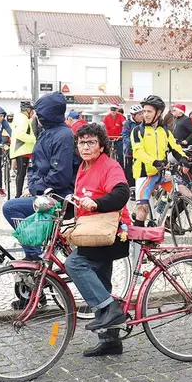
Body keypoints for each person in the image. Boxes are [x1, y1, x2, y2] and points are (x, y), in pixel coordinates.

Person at [65, 122, 132, 357]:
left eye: (91, 142)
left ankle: (109, 308)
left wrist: (97, 203)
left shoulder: (109, 166)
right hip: (95, 233)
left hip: (113, 234)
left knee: (75, 264)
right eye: (81, 142)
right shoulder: (83, 167)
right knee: (101, 283)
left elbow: (122, 193)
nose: (85, 146)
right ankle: (110, 341)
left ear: (101, 146)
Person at [3, 92, 76, 261]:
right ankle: (35, 252)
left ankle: (34, 255)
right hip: (46, 192)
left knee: (10, 208)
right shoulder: (47, 132)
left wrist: (36, 188)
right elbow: (35, 166)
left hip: (60, 196)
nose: (36, 116)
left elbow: (60, 175)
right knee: (16, 206)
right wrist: (31, 187)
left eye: (39, 113)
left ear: (48, 113)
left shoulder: (63, 136)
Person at [132, 95, 187, 223]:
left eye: (149, 111)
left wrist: (183, 158)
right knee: (142, 210)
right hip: (144, 174)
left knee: (186, 194)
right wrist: (154, 161)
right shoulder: (137, 131)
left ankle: (169, 221)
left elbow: (175, 147)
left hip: (161, 173)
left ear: (159, 112)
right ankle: (137, 243)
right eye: (144, 111)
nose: (145, 114)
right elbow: (138, 151)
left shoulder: (165, 131)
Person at [10, 101, 37, 198]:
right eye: (32, 111)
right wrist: (34, 139)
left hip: (22, 150)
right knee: (21, 174)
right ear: (28, 110)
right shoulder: (23, 119)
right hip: (22, 150)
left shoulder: (20, 117)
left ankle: (18, 194)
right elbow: (20, 134)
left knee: (20, 174)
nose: (33, 113)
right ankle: (18, 195)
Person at [122, 104, 144, 187]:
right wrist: (133, 144)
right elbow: (125, 135)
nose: (141, 116)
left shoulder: (144, 124)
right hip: (130, 152)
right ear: (133, 115)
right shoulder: (127, 124)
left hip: (142, 152)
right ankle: (131, 187)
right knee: (129, 170)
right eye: (139, 114)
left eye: (142, 113)